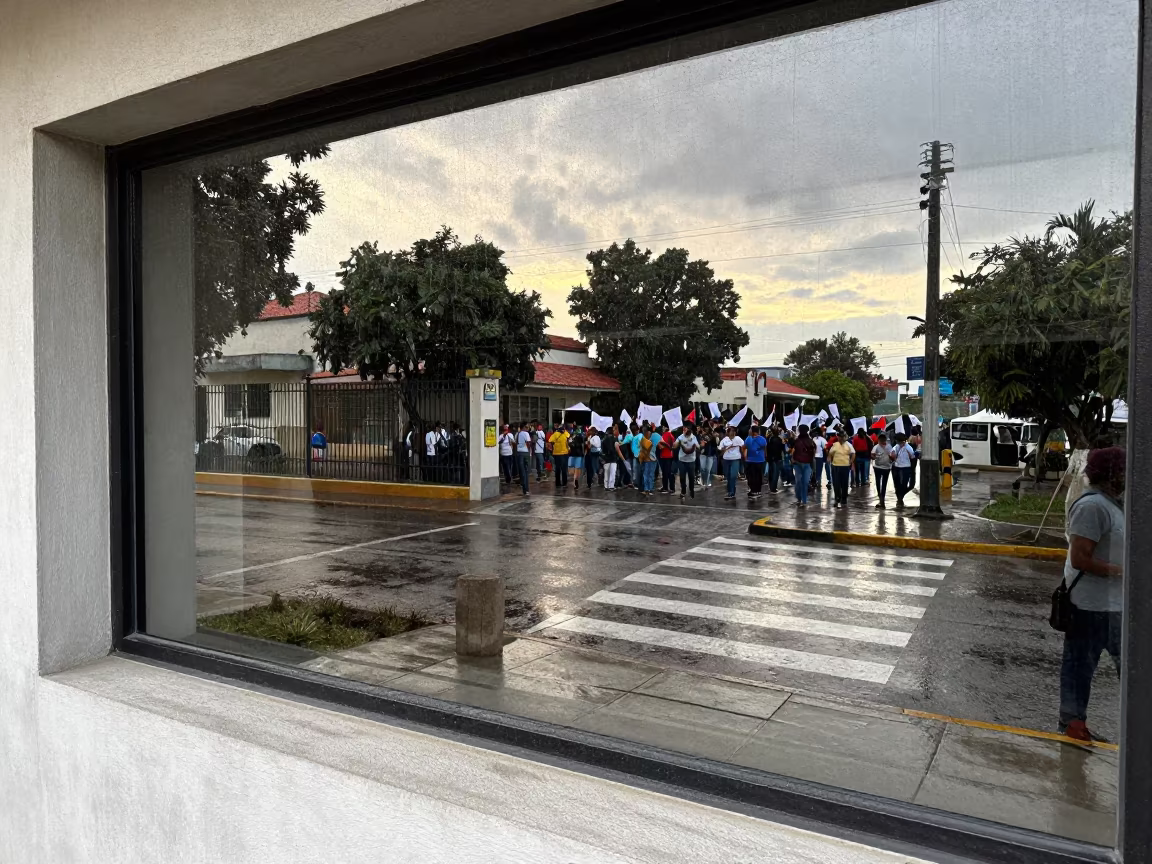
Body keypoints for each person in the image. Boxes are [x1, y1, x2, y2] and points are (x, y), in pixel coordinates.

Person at [1059, 447, 1125, 743]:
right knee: (1079, 668)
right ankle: (1072, 725)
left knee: (1131, 668)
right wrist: (1125, 572)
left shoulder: (1115, 504)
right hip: (1088, 607)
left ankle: (1135, 728)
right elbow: (1080, 559)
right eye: (1123, 471)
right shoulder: (1092, 507)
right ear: (1111, 474)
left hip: (1115, 606)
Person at [890, 432, 917, 510]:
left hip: (906, 468)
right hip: (896, 467)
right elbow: (892, 456)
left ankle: (900, 498)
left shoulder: (908, 448)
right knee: (897, 485)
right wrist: (892, 456)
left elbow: (913, 458)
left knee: (905, 485)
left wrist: (912, 470)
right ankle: (900, 500)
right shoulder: (895, 447)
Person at [791, 425, 816, 507]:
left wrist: (793, 458)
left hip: (801, 464)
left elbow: (792, 450)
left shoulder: (798, 440)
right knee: (803, 482)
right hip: (804, 464)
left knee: (800, 482)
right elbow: (814, 452)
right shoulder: (809, 441)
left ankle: (802, 500)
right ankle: (801, 500)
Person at [718, 423, 744, 501]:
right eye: (731, 431)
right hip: (726, 459)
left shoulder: (738, 438)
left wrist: (742, 452)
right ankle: (730, 490)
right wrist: (725, 448)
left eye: (734, 431)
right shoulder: (725, 440)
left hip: (735, 459)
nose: (733, 432)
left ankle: (731, 492)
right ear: (728, 432)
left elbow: (744, 446)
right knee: (728, 475)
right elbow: (720, 448)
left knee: (733, 475)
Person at [828, 432, 854, 508]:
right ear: (838, 437)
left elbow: (853, 453)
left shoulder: (849, 445)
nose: (841, 438)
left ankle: (844, 498)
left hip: (845, 466)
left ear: (845, 437)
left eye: (843, 437)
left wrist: (851, 461)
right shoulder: (835, 445)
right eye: (840, 437)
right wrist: (829, 459)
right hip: (835, 466)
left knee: (844, 483)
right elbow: (830, 453)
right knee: (836, 483)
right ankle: (837, 498)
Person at [674, 422, 700, 499]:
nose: (685, 430)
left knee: (691, 477)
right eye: (684, 428)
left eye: (687, 428)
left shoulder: (693, 437)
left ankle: (691, 490)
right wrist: (676, 444)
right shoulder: (681, 437)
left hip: (691, 460)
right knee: (682, 477)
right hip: (682, 460)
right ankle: (683, 491)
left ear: (690, 430)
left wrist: (699, 446)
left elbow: (698, 446)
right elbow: (675, 445)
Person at [743, 425, 767, 498]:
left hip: (753, 460)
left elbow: (745, 447)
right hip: (758, 460)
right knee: (757, 476)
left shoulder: (749, 438)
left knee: (753, 476)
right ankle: (757, 490)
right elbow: (764, 448)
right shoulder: (761, 439)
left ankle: (754, 490)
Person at [871, 433, 893, 509]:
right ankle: (880, 498)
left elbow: (893, 455)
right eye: (881, 440)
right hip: (878, 467)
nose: (882, 441)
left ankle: (882, 499)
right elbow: (872, 455)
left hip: (886, 467)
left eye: (883, 440)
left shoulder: (889, 447)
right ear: (879, 440)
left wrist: (890, 456)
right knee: (878, 482)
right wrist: (874, 456)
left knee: (884, 484)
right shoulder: (876, 447)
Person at [637, 425, 658, 498]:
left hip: (651, 459)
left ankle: (649, 489)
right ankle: (647, 489)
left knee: (649, 474)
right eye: (643, 431)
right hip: (646, 459)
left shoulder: (651, 439)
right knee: (646, 474)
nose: (644, 432)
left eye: (645, 431)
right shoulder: (643, 439)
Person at [547, 423, 570, 489]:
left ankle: (558, 483)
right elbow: (568, 437)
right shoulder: (565, 433)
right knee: (563, 468)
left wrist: (551, 449)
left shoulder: (555, 434)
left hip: (557, 454)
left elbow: (550, 441)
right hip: (564, 453)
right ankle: (564, 483)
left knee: (558, 468)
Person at [657, 424, 676, 494]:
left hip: (667, 456)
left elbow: (669, 446)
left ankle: (670, 488)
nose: (662, 428)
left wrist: (662, 445)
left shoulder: (668, 434)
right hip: (665, 455)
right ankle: (666, 487)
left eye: (663, 427)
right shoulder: (665, 434)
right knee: (665, 472)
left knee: (668, 472)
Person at [514, 421, 532, 495]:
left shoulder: (517, 434)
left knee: (522, 472)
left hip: (519, 453)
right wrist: (529, 452)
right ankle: (526, 489)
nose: (528, 429)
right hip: (525, 453)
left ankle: (524, 488)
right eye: (527, 427)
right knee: (526, 471)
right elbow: (528, 443)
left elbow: (515, 443)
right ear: (523, 427)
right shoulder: (526, 434)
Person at [765, 427, 785, 493]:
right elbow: (783, 449)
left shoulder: (769, 439)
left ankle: (771, 487)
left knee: (771, 472)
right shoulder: (779, 440)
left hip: (770, 458)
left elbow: (767, 448)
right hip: (777, 458)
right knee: (775, 473)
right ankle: (773, 488)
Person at [601, 424, 619, 490]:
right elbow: (617, 448)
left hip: (606, 458)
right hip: (613, 458)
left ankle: (606, 486)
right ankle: (611, 486)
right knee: (612, 473)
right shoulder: (615, 439)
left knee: (606, 473)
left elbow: (602, 449)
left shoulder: (604, 439)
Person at [568, 423, 585, 490]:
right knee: (574, 470)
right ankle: (575, 479)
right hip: (576, 454)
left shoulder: (577, 435)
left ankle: (575, 480)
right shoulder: (578, 435)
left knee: (575, 469)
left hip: (575, 454)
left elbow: (569, 444)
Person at [811, 427, 827, 494]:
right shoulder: (813, 439)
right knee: (814, 470)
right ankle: (815, 481)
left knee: (818, 470)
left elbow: (825, 448)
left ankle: (818, 481)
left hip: (819, 457)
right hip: (814, 457)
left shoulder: (821, 439)